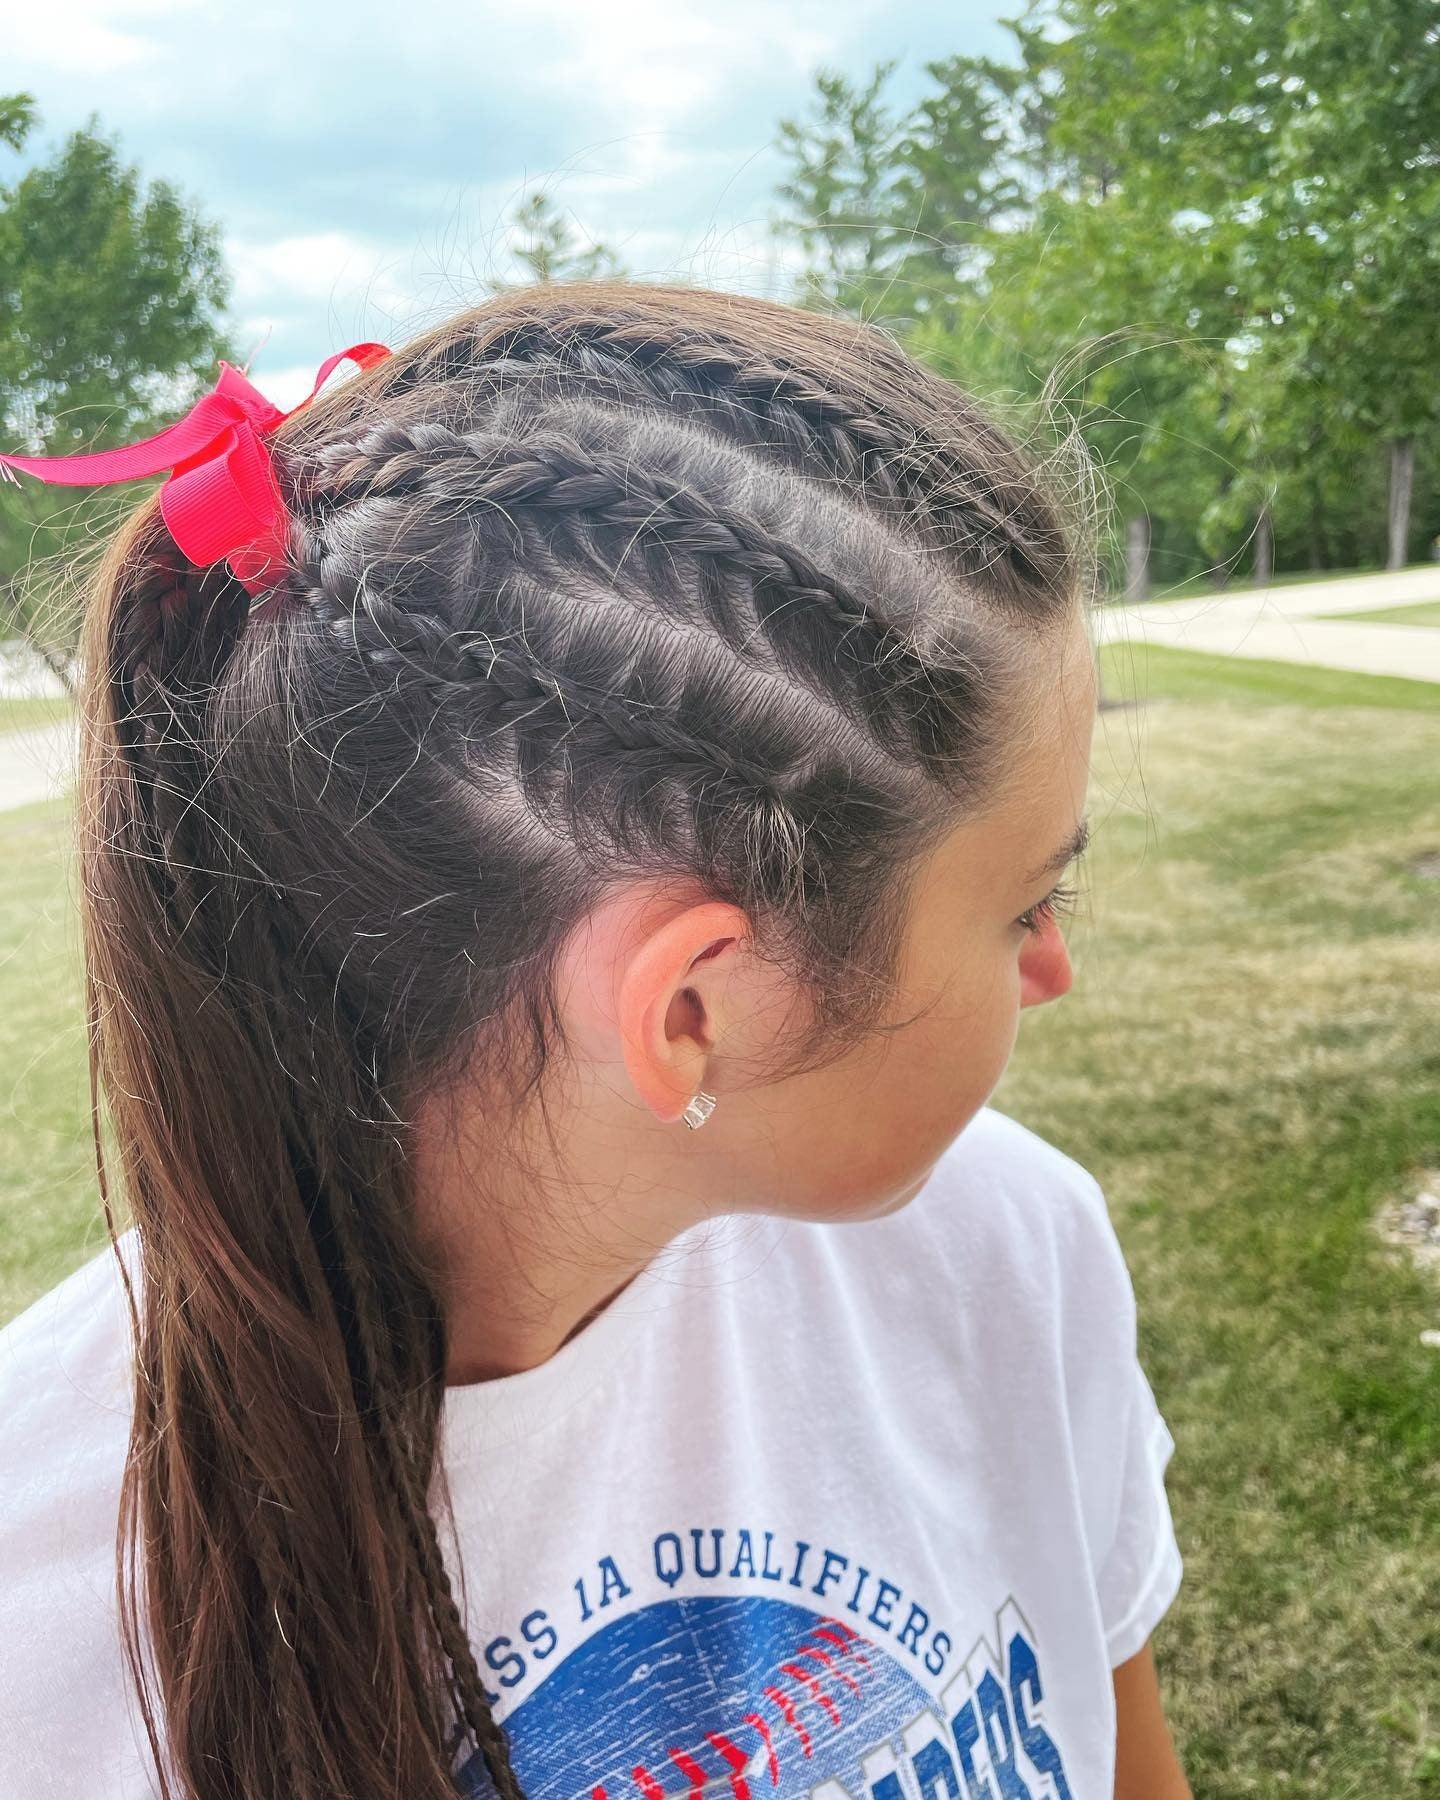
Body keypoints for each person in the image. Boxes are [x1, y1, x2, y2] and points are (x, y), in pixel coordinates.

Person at [0, 281, 1189, 1799]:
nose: (1054, 967)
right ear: (691, 1013)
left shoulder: (1009, 1249)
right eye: (1029, 898)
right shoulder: (32, 1629)